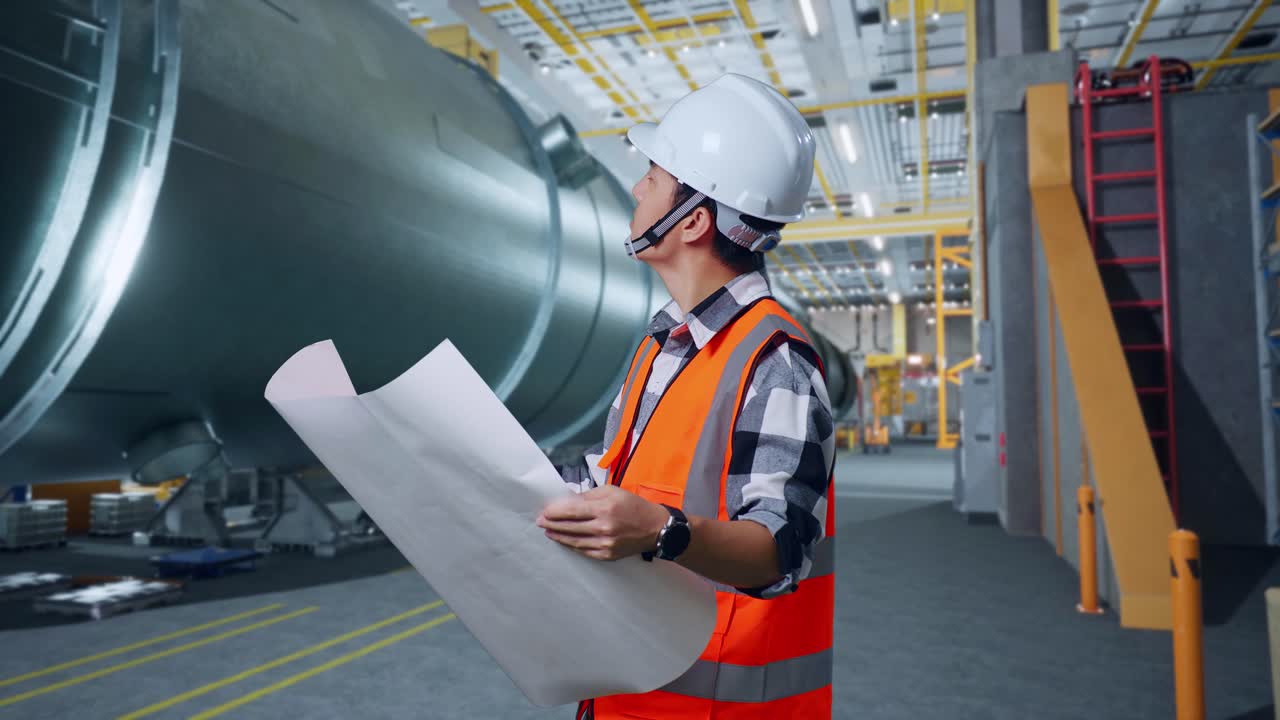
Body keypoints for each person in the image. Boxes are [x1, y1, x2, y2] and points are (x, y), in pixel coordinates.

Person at [537, 73, 837, 719]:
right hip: (627, 691)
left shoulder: (775, 362)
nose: (638, 188)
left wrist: (661, 531)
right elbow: (611, 479)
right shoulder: (663, 345)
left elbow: (780, 551)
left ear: (694, 220)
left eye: (654, 175)